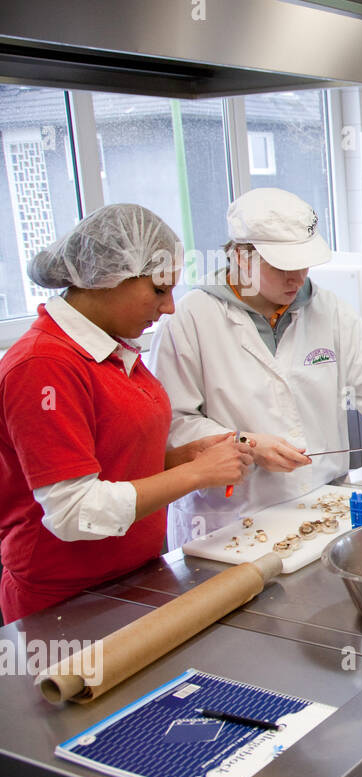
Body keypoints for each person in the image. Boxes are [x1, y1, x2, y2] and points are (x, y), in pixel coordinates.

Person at [149, 188, 362, 549]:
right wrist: (247, 444)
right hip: (231, 520)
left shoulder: (328, 310)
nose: (296, 278)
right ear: (240, 257)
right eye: (282, 267)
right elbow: (174, 424)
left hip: (323, 506)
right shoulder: (189, 320)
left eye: (303, 264)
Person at [0, 205, 252, 622]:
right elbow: (74, 512)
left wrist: (184, 457)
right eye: (158, 291)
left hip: (136, 577)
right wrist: (196, 474)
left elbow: (111, 464)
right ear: (105, 278)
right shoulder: (44, 366)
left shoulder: (111, 352)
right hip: (65, 603)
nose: (169, 307)